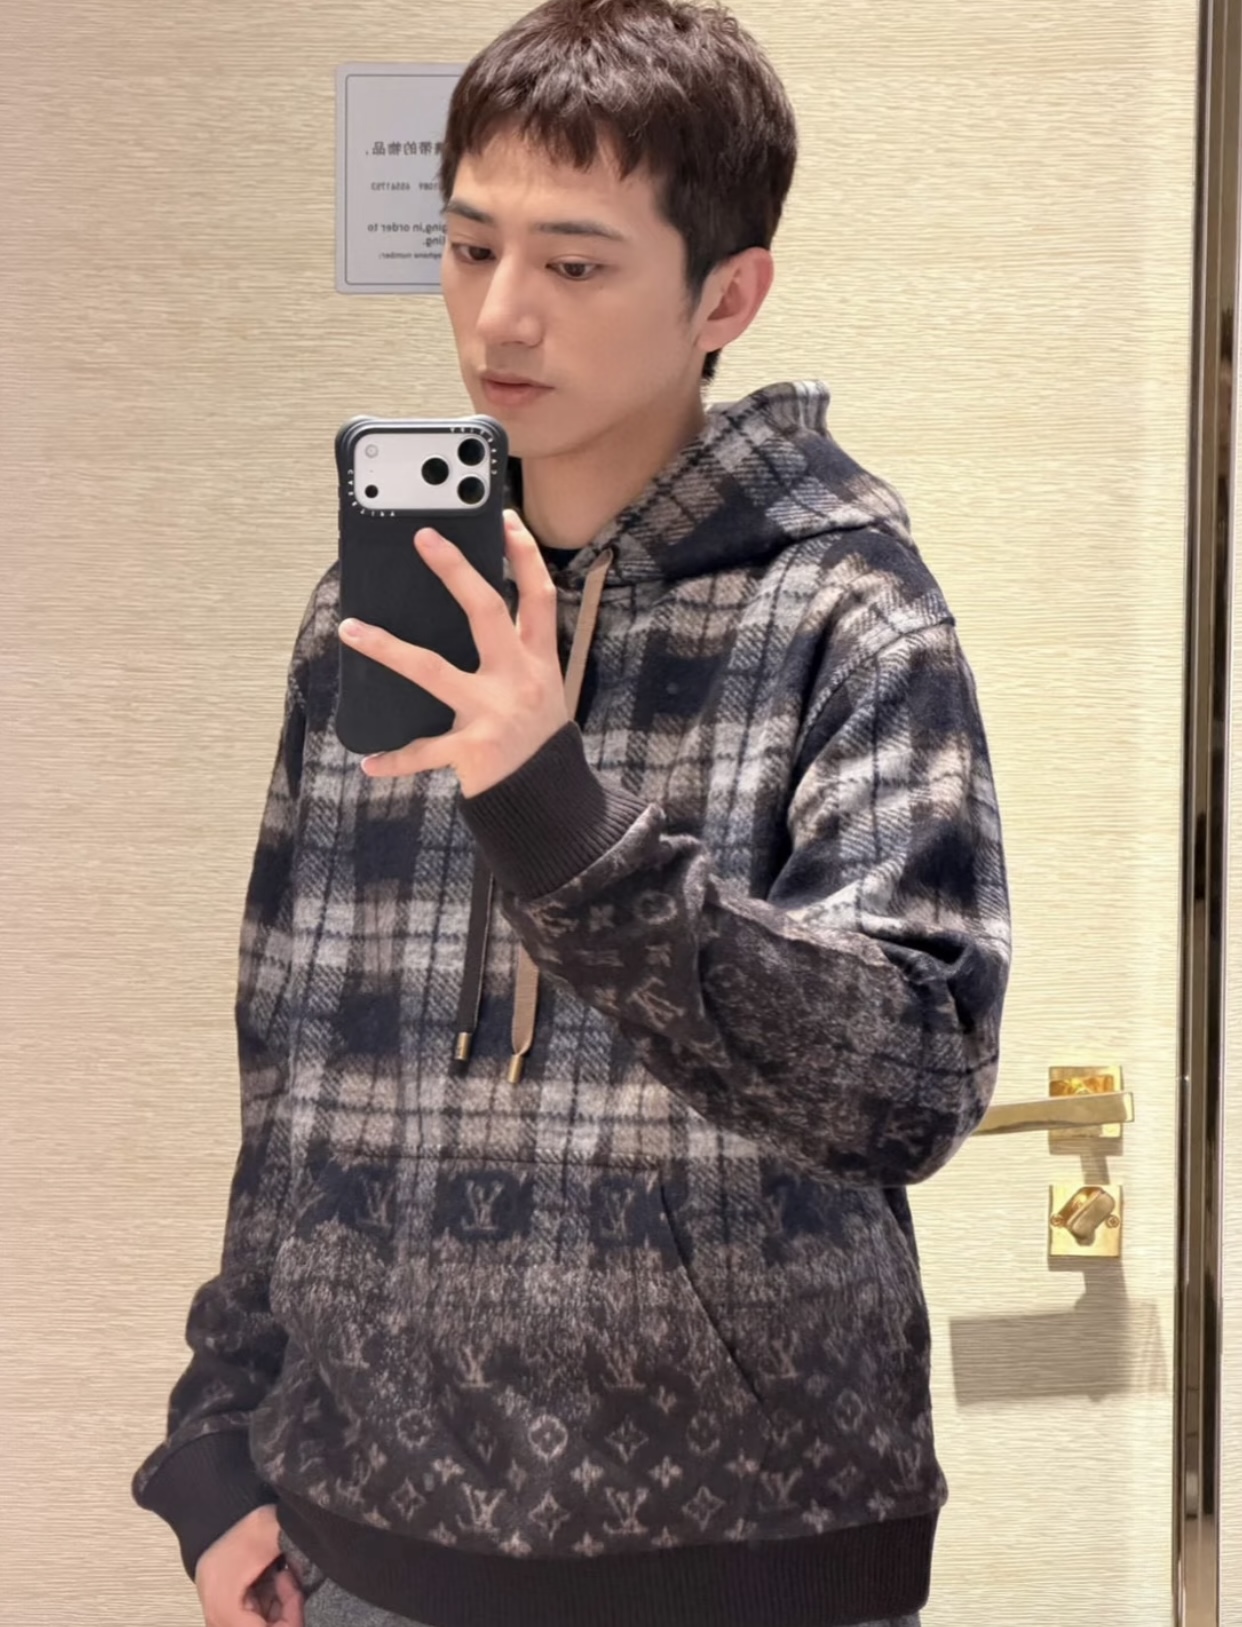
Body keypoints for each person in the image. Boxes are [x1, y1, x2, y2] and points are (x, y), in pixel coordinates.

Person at [132, 1, 1012, 1624]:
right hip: (356, 1549)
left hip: (754, 1567)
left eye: (576, 264)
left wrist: (560, 820)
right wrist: (214, 1445)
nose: (499, 316)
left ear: (723, 296)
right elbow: (292, 1061)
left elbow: (911, 1085)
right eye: (470, 248)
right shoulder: (373, 622)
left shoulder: (850, 615)